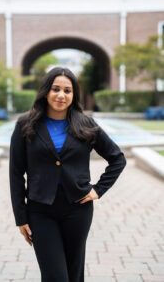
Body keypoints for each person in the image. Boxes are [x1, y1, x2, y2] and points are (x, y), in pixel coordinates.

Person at [9, 67, 127, 282]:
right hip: (40, 211)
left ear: (74, 95)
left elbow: (117, 159)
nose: (61, 95)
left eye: (67, 90)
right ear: (46, 91)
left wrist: (98, 190)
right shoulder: (26, 125)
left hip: (78, 210)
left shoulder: (86, 124)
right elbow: (16, 173)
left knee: (74, 274)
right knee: (55, 276)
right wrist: (20, 217)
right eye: (55, 89)